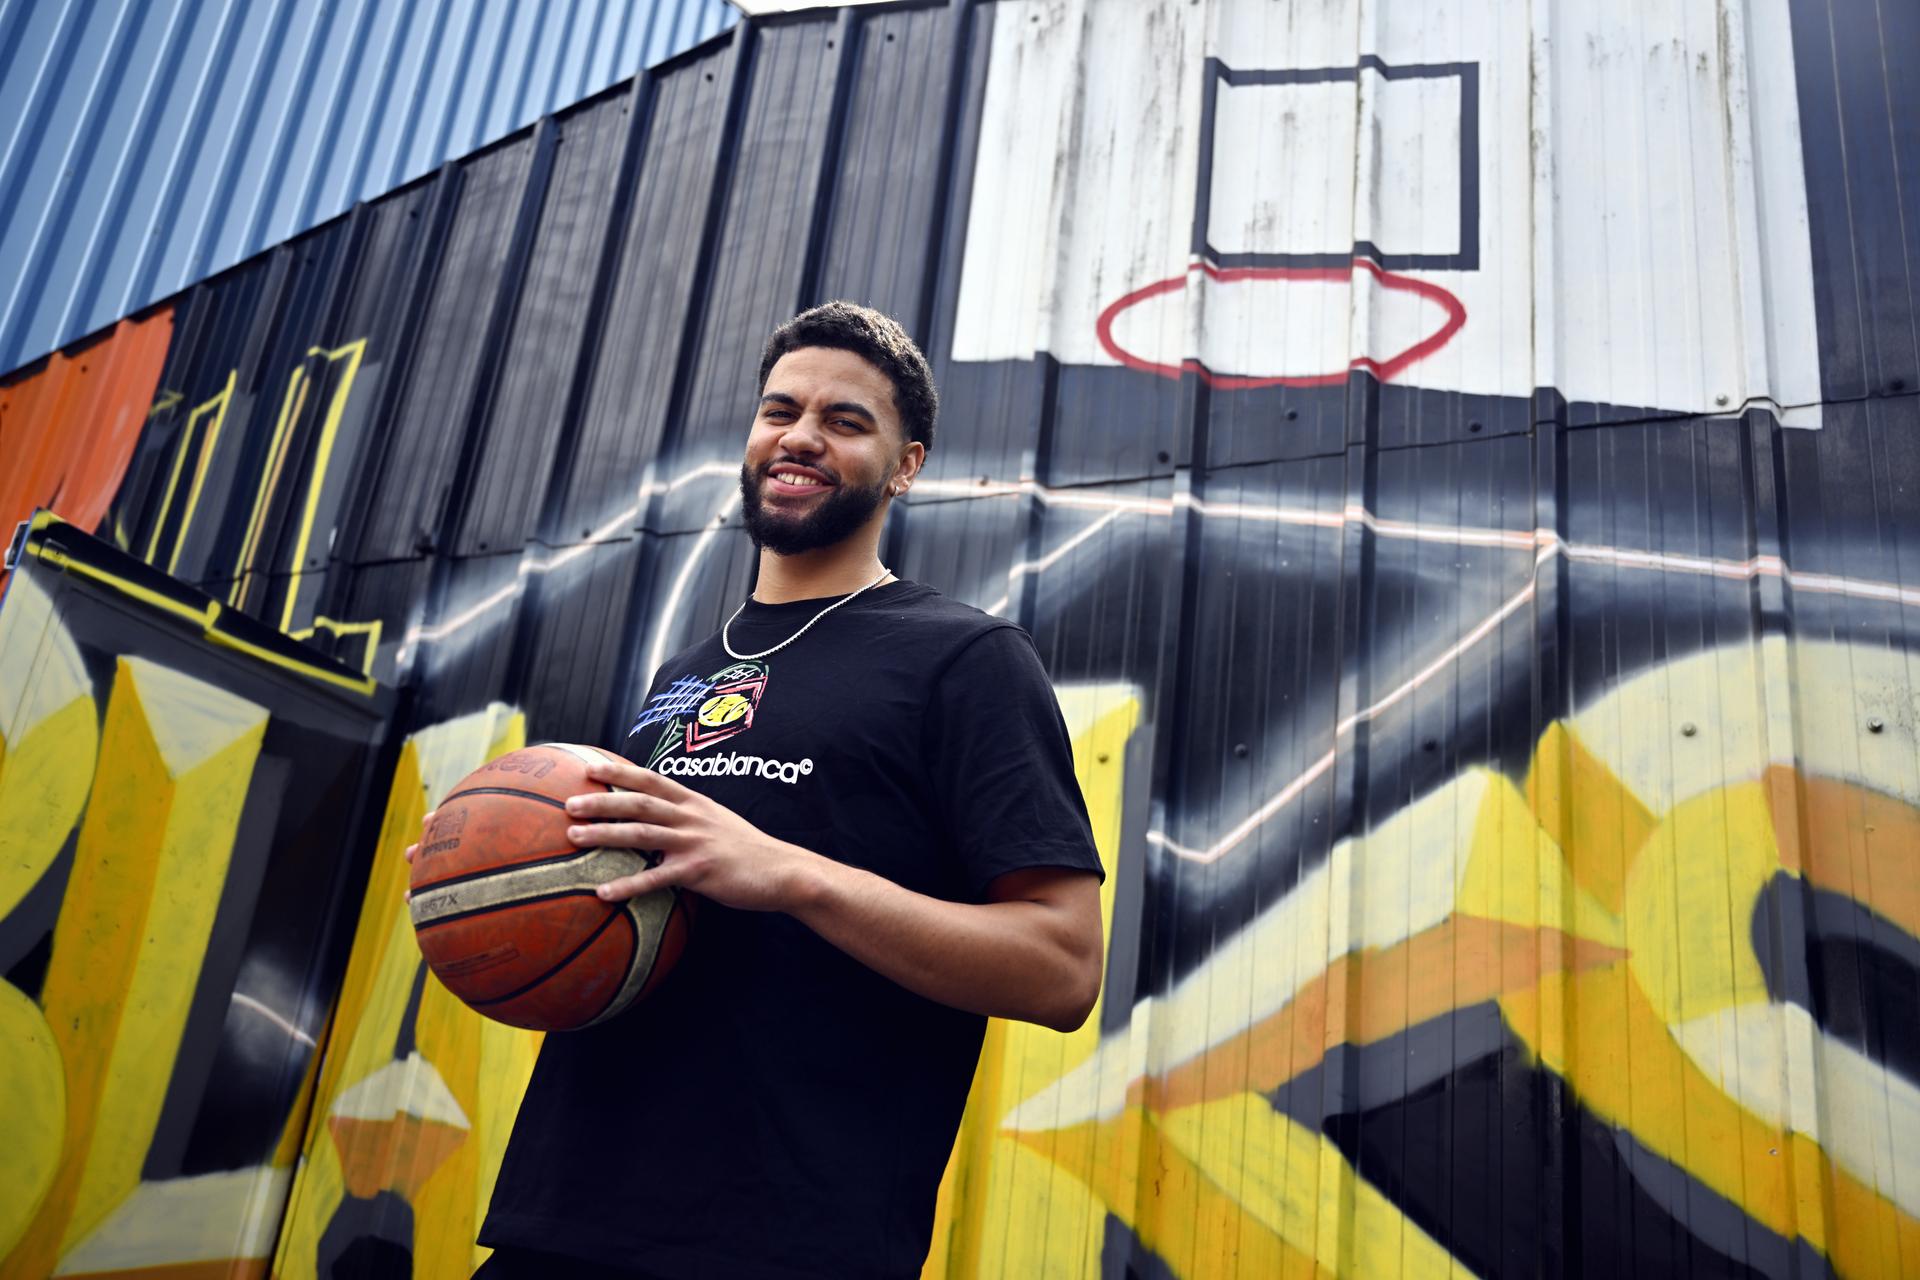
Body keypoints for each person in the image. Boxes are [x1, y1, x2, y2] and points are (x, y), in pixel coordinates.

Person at [448, 302, 1105, 1279]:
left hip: (784, 1243)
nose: (800, 435)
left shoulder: (965, 659)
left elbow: (1063, 968)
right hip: (558, 1220)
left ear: (905, 466)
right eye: (780, 410)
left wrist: (793, 875)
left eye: (845, 420)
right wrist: (486, 883)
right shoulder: (683, 672)